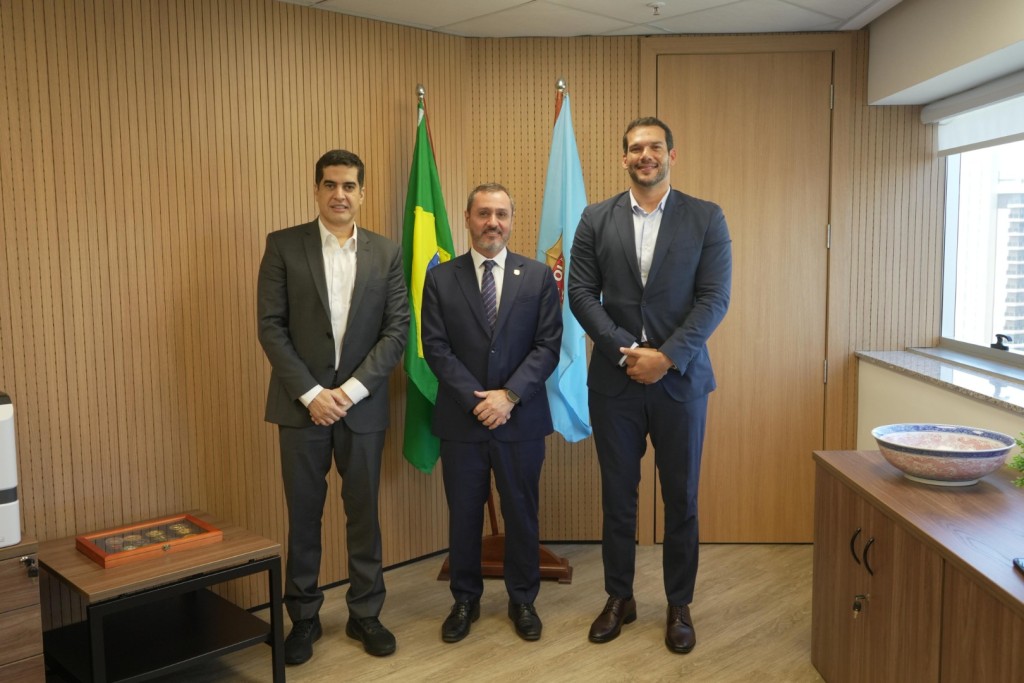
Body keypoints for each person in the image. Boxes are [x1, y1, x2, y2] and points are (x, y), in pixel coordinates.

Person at [567, 117, 732, 654]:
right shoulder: (595, 218)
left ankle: (679, 604)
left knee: (681, 499)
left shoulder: (706, 217)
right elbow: (581, 293)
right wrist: (626, 350)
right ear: (624, 158)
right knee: (618, 498)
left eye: (655, 147)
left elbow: (714, 298)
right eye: (636, 148)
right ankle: (620, 597)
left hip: (680, 382)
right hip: (614, 383)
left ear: (671, 155)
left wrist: (666, 357)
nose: (646, 155)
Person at [257, 149, 408, 664]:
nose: (339, 194)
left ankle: (366, 612)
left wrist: (350, 392)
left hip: (361, 408)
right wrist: (313, 394)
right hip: (301, 408)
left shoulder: (387, 253)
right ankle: (303, 617)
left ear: (362, 193)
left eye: (348, 186)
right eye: (329, 185)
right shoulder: (283, 245)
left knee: (364, 513)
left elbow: (397, 331)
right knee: (304, 515)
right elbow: (271, 327)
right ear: (317, 190)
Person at [420, 183, 562, 644]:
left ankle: (523, 599)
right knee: (464, 515)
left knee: (522, 512)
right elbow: (435, 348)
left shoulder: (537, 276)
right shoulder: (441, 278)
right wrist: (479, 400)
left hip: (521, 420)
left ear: (512, 221)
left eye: (501, 214)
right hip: (462, 422)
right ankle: (465, 599)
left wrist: (509, 396)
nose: (492, 223)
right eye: (483, 213)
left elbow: (548, 346)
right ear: (467, 218)